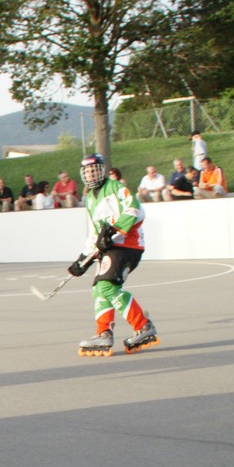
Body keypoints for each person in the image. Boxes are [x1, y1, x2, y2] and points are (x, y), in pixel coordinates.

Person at [68, 153, 158, 357]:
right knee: (99, 289)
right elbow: (95, 234)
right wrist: (83, 259)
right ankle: (103, 333)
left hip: (128, 244)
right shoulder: (90, 199)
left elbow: (136, 210)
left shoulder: (115, 187)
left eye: (94, 170)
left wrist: (113, 231)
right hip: (111, 248)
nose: (91, 175)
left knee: (107, 286)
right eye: (87, 172)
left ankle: (143, 326)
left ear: (102, 170)